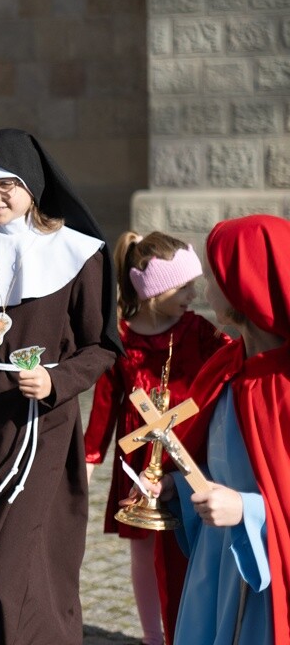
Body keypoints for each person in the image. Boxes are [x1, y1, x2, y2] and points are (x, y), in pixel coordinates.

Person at [0, 128, 122, 644]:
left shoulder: (78, 253)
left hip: (46, 423)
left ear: (31, 183)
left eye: (4, 185)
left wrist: (56, 379)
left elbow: (102, 347)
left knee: (17, 565)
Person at [131, 215, 290, 645]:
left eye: (216, 276)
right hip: (215, 562)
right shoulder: (226, 367)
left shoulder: (284, 383)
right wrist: (176, 489)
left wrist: (249, 511)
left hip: (266, 570)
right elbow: (211, 461)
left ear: (246, 283)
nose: (205, 289)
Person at [83, 232, 229, 645]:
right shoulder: (121, 339)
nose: (193, 293)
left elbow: (232, 361)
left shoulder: (197, 331)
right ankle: (152, 636)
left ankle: (188, 630)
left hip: (188, 459)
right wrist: (90, 459)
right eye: (183, 286)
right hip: (138, 466)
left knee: (189, 548)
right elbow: (105, 406)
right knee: (144, 555)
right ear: (152, 290)